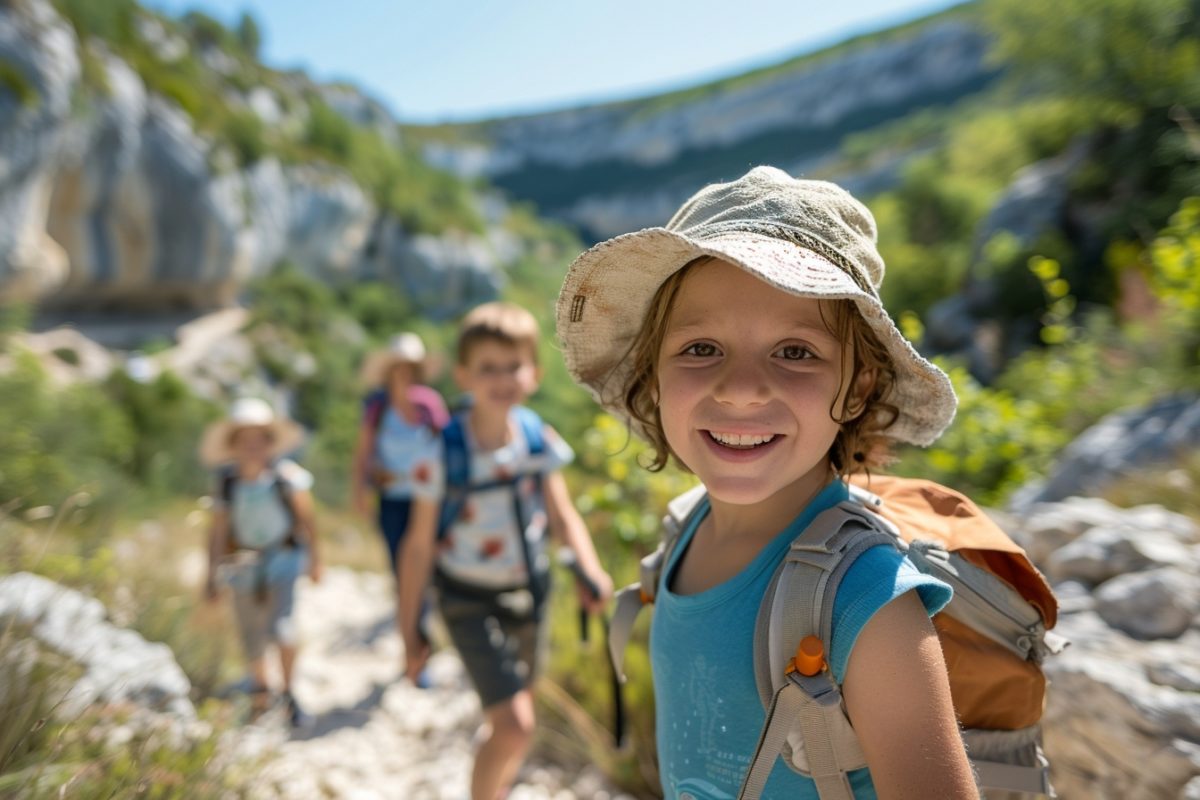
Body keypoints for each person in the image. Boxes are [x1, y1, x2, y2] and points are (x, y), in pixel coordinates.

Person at [555, 166, 978, 798]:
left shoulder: (868, 601)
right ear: (654, 375)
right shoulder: (683, 531)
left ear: (857, 385)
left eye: (796, 352)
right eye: (701, 349)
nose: (743, 388)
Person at [397, 302, 614, 800]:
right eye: (487, 368)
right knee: (515, 724)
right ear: (463, 376)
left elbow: (561, 516)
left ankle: (493, 785)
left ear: (534, 374)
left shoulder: (536, 439)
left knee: (517, 718)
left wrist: (590, 569)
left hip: (529, 593)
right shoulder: (442, 452)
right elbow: (417, 546)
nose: (502, 378)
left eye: (512, 365)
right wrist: (411, 628)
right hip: (465, 598)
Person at [201, 397, 321, 728]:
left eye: (259, 439)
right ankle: (261, 692)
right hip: (242, 566)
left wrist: (316, 560)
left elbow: (308, 519)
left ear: (269, 443)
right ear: (234, 444)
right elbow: (217, 531)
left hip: (283, 559)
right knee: (250, 633)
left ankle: (288, 692)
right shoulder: (227, 483)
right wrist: (210, 575)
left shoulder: (287, 477)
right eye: (245, 439)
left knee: (283, 627)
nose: (252, 446)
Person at [352, 332, 450, 578]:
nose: (405, 373)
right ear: (389, 371)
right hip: (391, 497)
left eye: (411, 368)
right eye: (400, 367)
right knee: (399, 560)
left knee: (428, 561)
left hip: (427, 498)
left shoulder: (429, 403)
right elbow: (363, 452)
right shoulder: (377, 406)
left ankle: (420, 611)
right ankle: (410, 612)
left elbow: (448, 445)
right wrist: (360, 492)